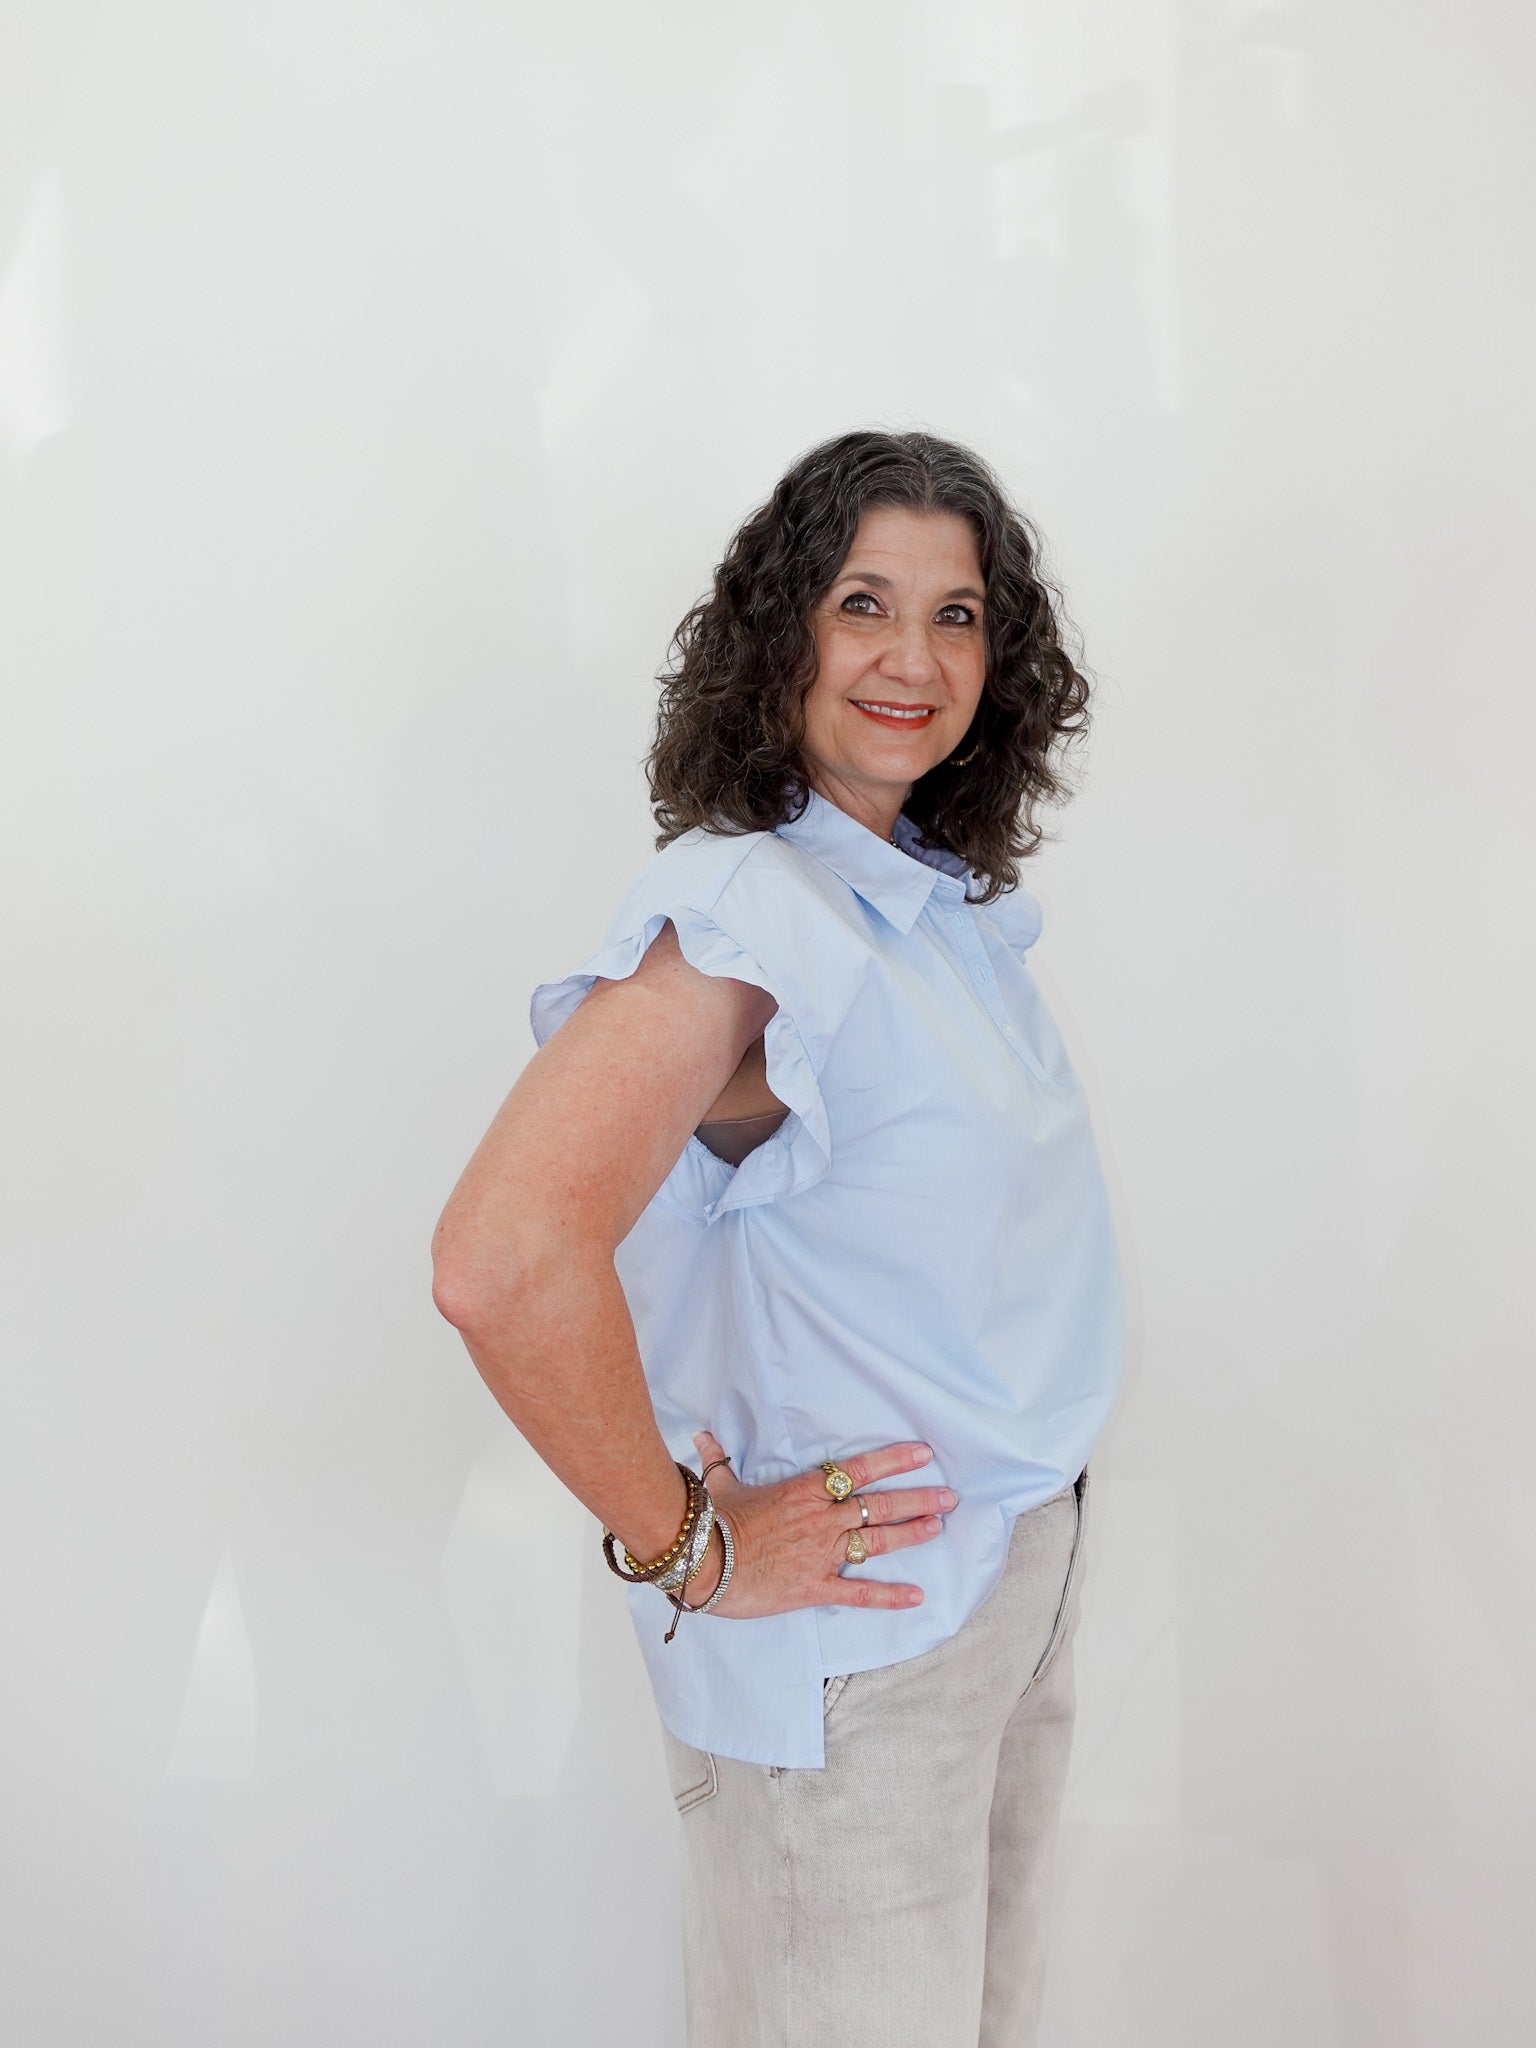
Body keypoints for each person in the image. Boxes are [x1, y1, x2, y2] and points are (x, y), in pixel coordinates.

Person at [430, 428, 1125, 2047]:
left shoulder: (925, 904)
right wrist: (690, 1543)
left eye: (957, 615)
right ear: (779, 637)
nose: (912, 656)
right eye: (861, 601)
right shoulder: (754, 911)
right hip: (860, 1654)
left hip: (997, 1595)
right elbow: (503, 1254)